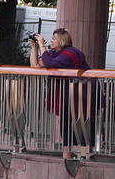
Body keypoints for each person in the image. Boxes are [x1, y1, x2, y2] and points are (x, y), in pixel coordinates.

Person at [29, 28, 93, 158]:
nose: (51, 41)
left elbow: (50, 63)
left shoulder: (71, 53)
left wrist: (42, 45)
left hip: (80, 94)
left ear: (62, 41)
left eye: (54, 39)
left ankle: (87, 152)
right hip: (67, 94)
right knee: (66, 121)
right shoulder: (53, 53)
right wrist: (35, 47)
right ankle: (67, 152)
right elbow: (35, 65)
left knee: (83, 121)